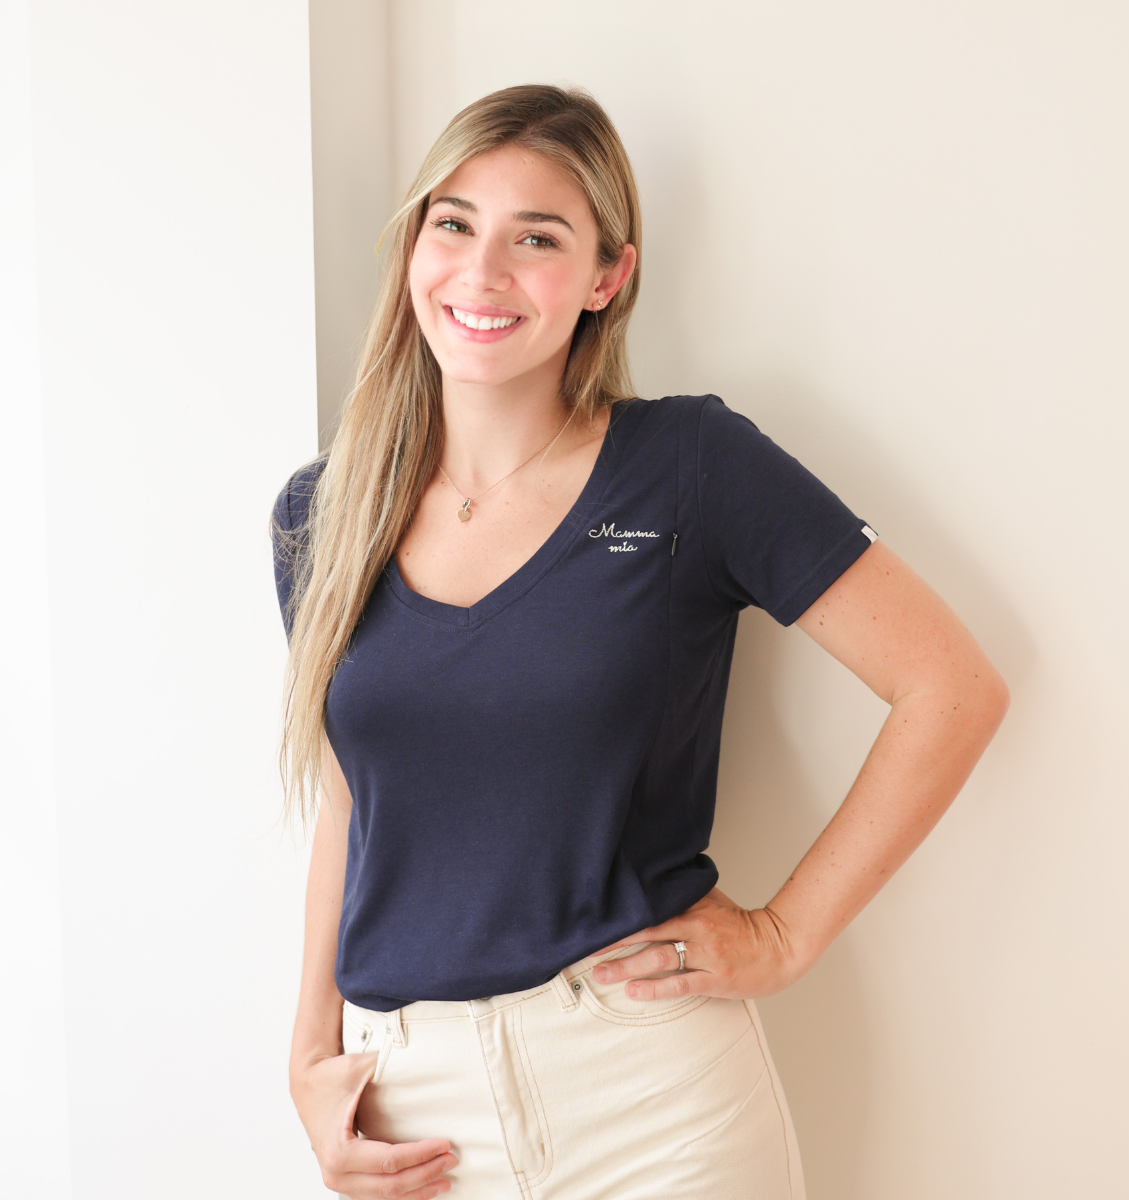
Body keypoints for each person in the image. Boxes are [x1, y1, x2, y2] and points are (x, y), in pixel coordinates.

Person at [271, 84, 1009, 1200]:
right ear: (415, 244)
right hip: (413, 1114)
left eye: (537, 238)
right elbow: (351, 799)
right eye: (454, 223)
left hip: (655, 1099)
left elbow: (950, 686)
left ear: (607, 277)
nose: (482, 271)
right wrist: (307, 1056)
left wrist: (785, 935)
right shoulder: (321, 516)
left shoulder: (690, 466)